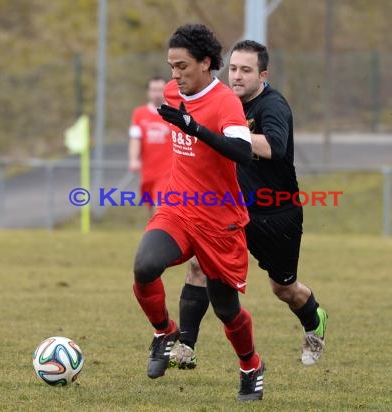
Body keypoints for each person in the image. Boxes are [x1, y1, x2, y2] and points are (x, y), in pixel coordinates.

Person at [169, 40, 328, 370]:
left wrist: (224, 133)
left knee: (284, 289)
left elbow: (274, 147)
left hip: (276, 213)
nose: (237, 76)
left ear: (263, 75)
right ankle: (185, 346)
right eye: (233, 69)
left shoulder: (273, 106)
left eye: (246, 70)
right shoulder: (220, 100)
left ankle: (315, 321)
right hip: (230, 210)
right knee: (199, 266)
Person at [132, 24, 265, 401]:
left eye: (182, 66)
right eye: (171, 66)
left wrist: (195, 127)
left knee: (226, 309)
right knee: (144, 266)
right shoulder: (176, 91)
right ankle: (164, 333)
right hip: (178, 208)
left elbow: (242, 152)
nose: (174, 76)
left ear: (206, 63)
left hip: (219, 219)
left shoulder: (226, 103)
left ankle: (251, 365)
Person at [128, 76, 172, 213]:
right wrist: (134, 159)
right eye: (154, 90)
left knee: (160, 208)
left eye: (160, 90)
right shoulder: (139, 114)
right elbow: (135, 139)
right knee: (152, 208)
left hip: (168, 171)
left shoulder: (173, 112)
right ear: (148, 92)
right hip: (148, 171)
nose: (157, 94)